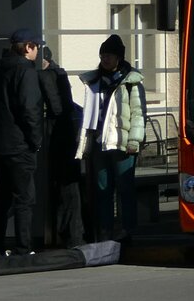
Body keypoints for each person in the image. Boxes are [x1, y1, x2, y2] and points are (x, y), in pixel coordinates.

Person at [75, 34, 146, 242]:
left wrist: (134, 140)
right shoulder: (94, 81)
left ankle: (127, 229)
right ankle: (105, 231)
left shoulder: (131, 82)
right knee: (103, 189)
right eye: (103, 55)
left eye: (109, 55)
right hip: (100, 144)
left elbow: (139, 114)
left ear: (119, 57)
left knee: (125, 189)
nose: (105, 59)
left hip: (123, 144)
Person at [0, 28, 44, 256]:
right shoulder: (26, 72)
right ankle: (23, 247)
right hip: (20, 145)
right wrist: (36, 140)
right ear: (28, 47)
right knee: (24, 197)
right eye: (36, 46)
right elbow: (29, 109)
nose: (38, 51)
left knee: (1, 197)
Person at [38, 46, 85, 248]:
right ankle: (71, 235)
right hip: (67, 136)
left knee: (64, 189)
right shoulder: (59, 73)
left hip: (58, 137)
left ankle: (68, 235)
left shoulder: (48, 75)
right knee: (69, 190)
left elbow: (56, 107)